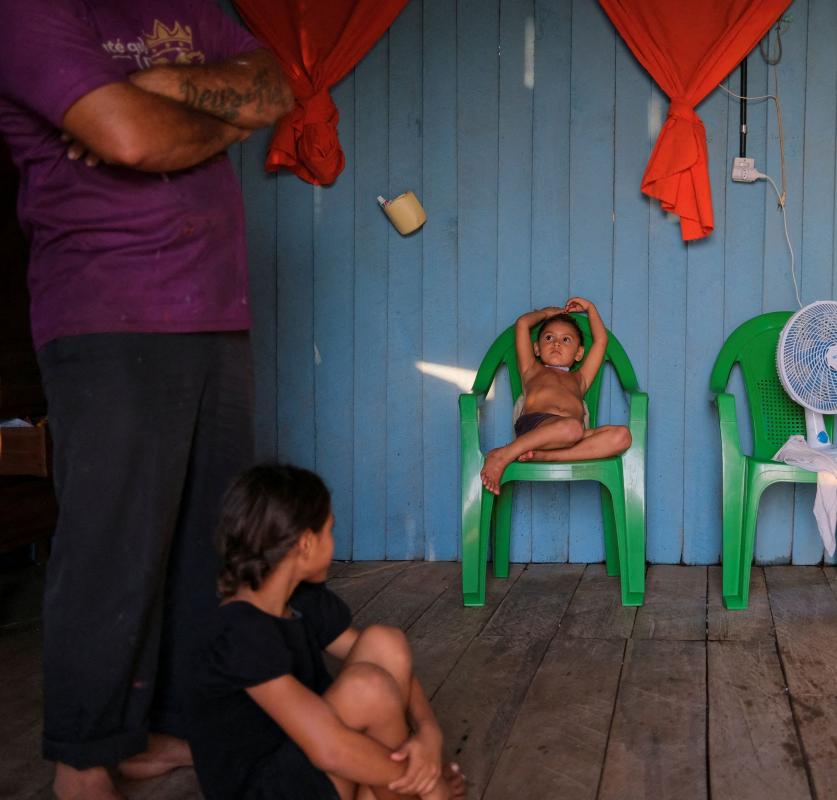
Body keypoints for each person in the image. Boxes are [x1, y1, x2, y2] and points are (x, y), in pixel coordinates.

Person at [0, 2, 296, 797]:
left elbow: (274, 91)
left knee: (210, 542)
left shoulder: (188, 9)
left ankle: (164, 732)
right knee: (112, 546)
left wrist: (162, 83)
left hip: (215, 308)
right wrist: (216, 115)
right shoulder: (33, 12)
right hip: (104, 310)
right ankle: (84, 760)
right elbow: (132, 138)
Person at [188, 464, 466, 800]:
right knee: (367, 688)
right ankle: (406, 791)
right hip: (263, 789)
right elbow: (329, 751)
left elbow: (391, 661)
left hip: (307, 762)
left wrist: (428, 734)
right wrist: (427, 783)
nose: (333, 541)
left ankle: (393, 790)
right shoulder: (240, 632)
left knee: (384, 642)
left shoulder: (303, 600)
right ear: (305, 543)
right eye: (330, 531)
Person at [479, 297, 632, 494]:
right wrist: (545, 313)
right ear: (536, 348)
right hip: (536, 428)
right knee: (572, 428)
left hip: (571, 435)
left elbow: (601, 341)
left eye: (566, 339)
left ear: (579, 353)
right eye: (549, 338)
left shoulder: (580, 378)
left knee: (622, 436)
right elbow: (522, 324)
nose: (557, 344)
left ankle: (546, 456)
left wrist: (590, 308)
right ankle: (503, 454)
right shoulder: (531, 370)